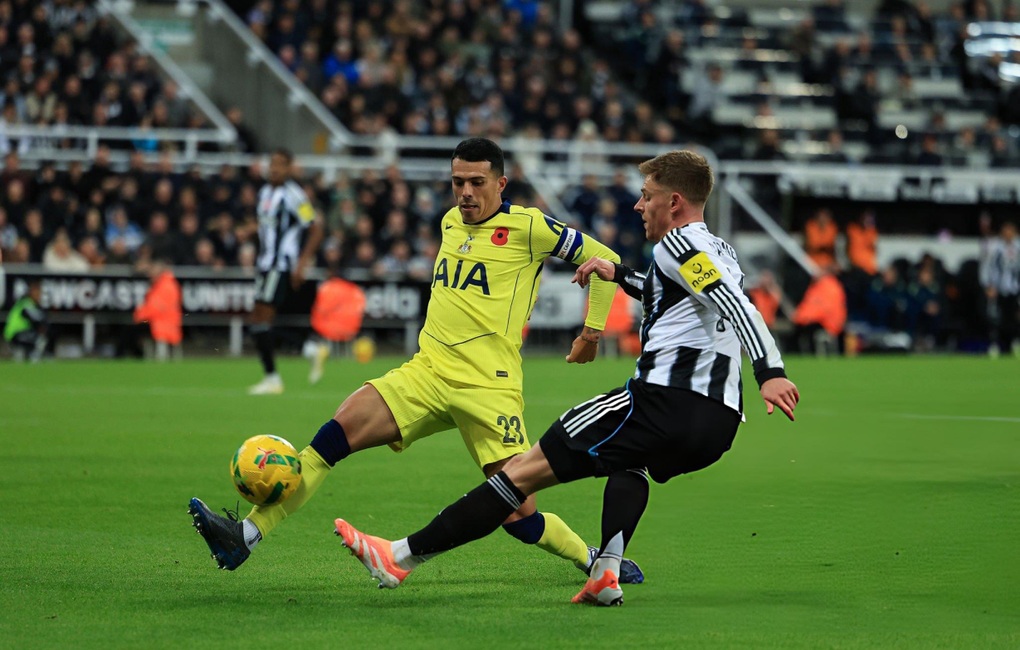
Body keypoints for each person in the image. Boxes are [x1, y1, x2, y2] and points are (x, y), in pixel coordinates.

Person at [332, 150, 800, 606]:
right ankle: (606, 573)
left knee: (517, 476)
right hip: (718, 422)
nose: (639, 205)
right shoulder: (720, 250)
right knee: (629, 462)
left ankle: (398, 557)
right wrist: (619, 273)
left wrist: (770, 372)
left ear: (674, 202)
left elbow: (737, 306)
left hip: (664, 400)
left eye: (647, 195)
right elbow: (676, 296)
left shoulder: (677, 244)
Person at [189, 137, 644, 584]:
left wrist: (592, 331)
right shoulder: (450, 222)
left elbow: (605, 257)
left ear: (501, 183)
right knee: (334, 435)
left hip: (489, 387)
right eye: (458, 182)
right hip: (426, 372)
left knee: (519, 516)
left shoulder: (530, 228)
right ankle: (245, 535)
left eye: (477, 182)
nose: (465, 192)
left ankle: (591, 559)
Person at [247, 148, 324, 394]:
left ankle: (273, 377)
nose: (274, 168)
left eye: (280, 164)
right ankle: (307, 351)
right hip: (264, 263)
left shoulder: (294, 195)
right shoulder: (264, 192)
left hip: (279, 264)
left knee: (260, 320)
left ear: (289, 168)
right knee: (260, 322)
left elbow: (315, 228)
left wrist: (301, 264)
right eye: (272, 163)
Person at [982, 221, 1019, 357]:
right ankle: (995, 344)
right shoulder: (995, 249)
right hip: (999, 289)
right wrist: (989, 285)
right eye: (1005, 232)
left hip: (1015, 288)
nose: (1008, 234)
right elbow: (988, 267)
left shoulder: (1018, 248)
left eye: (1011, 231)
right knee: (996, 318)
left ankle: (1015, 343)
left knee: (1015, 317)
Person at [4, 280, 47, 362]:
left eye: (39, 293)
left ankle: (22, 354)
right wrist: (43, 327)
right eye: (37, 292)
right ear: (31, 292)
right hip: (15, 334)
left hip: (17, 333)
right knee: (40, 339)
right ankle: (33, 359)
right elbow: (36, 320)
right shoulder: (26, 304)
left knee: (37, 335)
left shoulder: (29, 303)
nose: (39, 295)